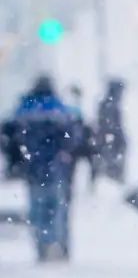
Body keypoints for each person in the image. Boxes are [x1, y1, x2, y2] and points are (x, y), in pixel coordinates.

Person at [2, 76, 86, 262]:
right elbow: (73, 138)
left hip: (33, 169)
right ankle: (56, 243)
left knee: (37, 209)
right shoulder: (60, 109)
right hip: (57, 169)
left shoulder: (24, 109)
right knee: (56, 208)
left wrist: (18, 160)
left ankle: (42, 244)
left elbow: (8, 137)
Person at [93, 78, 128, 185]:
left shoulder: (108, 104)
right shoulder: (111, 106)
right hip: (111, 145)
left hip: (109, 144)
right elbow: (110, 127)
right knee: (110, 181)